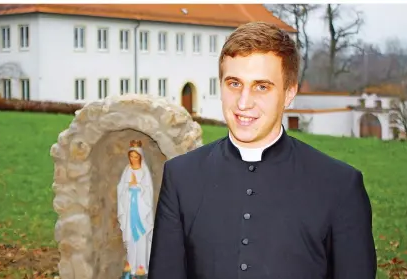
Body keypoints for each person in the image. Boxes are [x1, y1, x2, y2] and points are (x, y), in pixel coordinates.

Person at [148, 22, 376, 279]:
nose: (244, 103)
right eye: (234, 84)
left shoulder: (340, 186)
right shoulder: (180, 178)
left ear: (289, 93)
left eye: (261, 87)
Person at [117, 139, 154, 276]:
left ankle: (141, 265)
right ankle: (130, 262)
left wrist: (137, 186)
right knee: (131, 236)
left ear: (140, 157)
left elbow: (148, 191)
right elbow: (120, 188)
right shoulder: (127, 170)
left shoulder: (144, 172)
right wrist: (128, 187)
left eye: (136, 156)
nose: (133, 159)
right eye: (131, 156)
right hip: (129, 208)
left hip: (141, 210)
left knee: (141, 236)